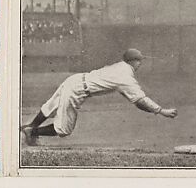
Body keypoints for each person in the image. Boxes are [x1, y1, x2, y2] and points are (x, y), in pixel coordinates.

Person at [20, 48, 178, 145]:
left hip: (74, 79)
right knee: (64, 129)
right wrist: (161, 111)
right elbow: (140, 101)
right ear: (132, 61)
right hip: (77, 90)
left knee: (50, 107)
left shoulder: (118, 67)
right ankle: (32, 132)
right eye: (139, 60)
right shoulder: (125, 76)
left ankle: (27, 128)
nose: (140, 63)